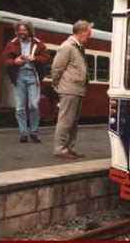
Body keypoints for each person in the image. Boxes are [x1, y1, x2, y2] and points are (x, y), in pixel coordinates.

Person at [51, 20, 93, 159]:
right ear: (81, 33)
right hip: (69, 89)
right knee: (66, 120)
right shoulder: (67, 46)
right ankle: (60, 149)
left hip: (77, 89)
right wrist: (57, 85)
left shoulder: (78, 47)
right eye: (88, 33)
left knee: (73, 121)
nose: (90, 36)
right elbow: (57, 68)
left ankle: (70, 147)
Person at [2, 21, 50, 143]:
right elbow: (5, 59)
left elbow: (46, 58)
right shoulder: (12, 44)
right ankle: (23, 133)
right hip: (19, 77)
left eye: (24, 30)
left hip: (33, 76)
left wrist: (35, 58)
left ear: (29, 31)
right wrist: (15, 61)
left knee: (33, 105)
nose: (22, 32)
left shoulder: (38, 44)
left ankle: (34, 132)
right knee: (19, 107)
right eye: (20, 30)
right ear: (17, 31)